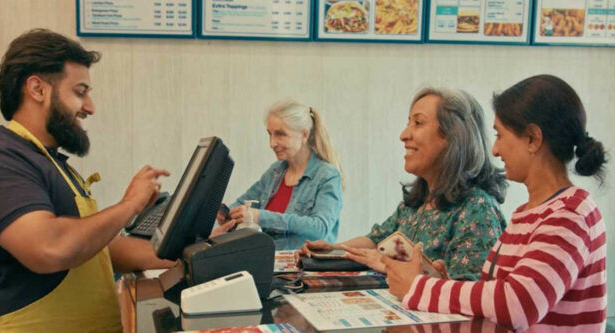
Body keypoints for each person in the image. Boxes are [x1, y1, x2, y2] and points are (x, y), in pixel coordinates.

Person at [0, 29, 175, 332]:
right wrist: (129, 205)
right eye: (80, 92)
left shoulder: (52, 162)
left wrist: (183, 256)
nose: (90, 107)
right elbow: (50, 247)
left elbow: (96, 251)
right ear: (37, 89)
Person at [382, 75, 607, 332]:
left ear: (532, 139)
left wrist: (420, 287)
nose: (495, 150)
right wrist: (444, 281)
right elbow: (495, 295)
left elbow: (518, 305)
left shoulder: (570, 214)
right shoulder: (529, 213)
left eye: (500, 135)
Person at [301, 88, 507, 280]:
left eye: (418, 123)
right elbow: (376, 240)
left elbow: (470, 294)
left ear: (453, 137)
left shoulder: (478, 210)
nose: (403, 135)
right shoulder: (416, 203)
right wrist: (332, 249)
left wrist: (386, 264)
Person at [214, 99, 344, 243]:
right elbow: (241, 204)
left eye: (280, 134)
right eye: (270, 134)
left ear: (304, 135)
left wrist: (260, 217)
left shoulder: (327, 175)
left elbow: (320, 228)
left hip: (301, 264)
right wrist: (228, 215)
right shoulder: (275, 172)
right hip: (267, 260)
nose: (272, 143)